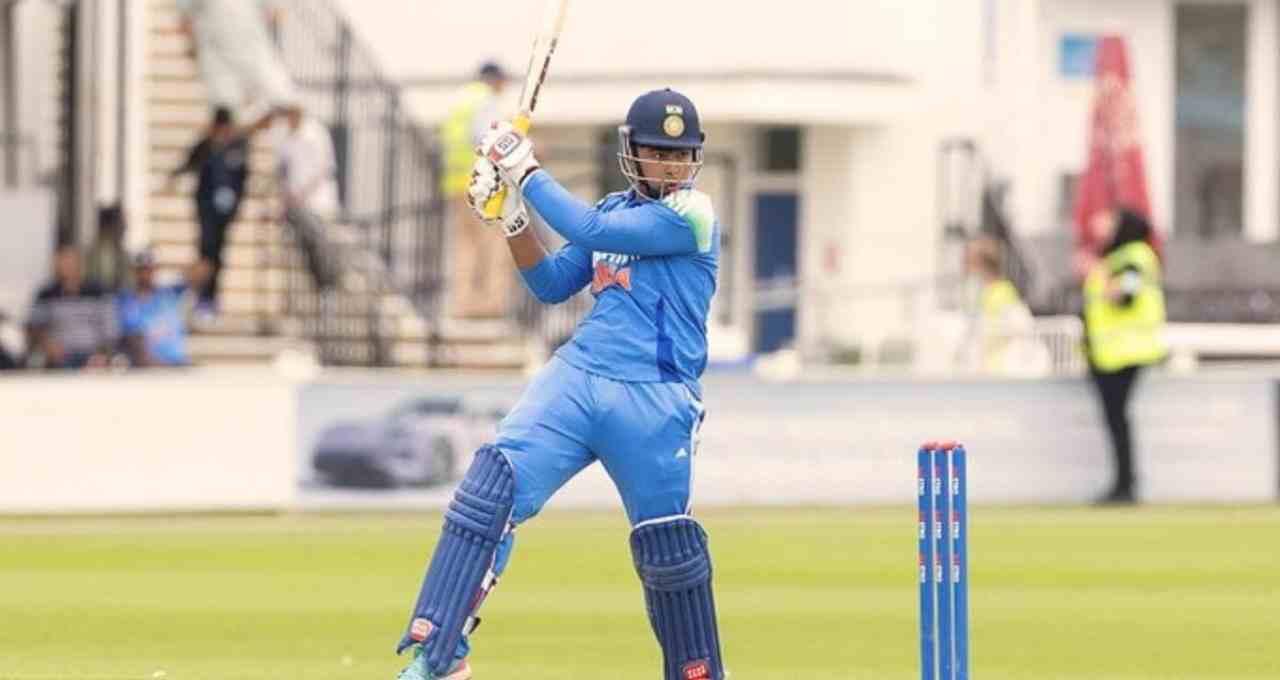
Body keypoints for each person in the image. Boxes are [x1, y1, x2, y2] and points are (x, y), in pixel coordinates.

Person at [394, 88, 725, 680]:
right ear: (633, 152)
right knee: (490, 490)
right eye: (657, 152)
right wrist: (512, 219)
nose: (671, 165)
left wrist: (524, 170)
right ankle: (439, 655)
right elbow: (550, 283)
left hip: (654, 397)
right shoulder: (613, 210)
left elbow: (587, 226)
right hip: (576, 379)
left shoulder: (693, 214)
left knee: (669, 554)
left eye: (680, 154)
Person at [1082, 208, 1167, 505]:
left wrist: (1096, 272)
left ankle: (1125, 484)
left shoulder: (1133, 256)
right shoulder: (1118, 257)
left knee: (1118, 420)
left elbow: (1125, 296)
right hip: (1111, 353)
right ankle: (1123, 482)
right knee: (1116, 420)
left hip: (1125, 353)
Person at [169, 107, 271, 318]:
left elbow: (242, 178)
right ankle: (201, 296)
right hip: (206, 208)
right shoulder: (206, 145)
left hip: (225, 213)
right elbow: (188, 164)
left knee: (217, 253)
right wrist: (173, 177)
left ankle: (210, 297)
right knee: (206, 252)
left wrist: (235, 206)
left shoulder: (238, 145)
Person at [440, 62, 513, 319]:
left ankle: (463, 304)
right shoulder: (485, 100)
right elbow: (487, 139)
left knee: (465, 247)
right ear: (494, 80)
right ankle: (490, 305)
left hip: (456, 184)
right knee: (494, 246)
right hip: (482, 185)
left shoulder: (460, 101)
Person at [175, 0, 296, 113]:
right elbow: (185, 18)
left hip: (257, 52)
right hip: (217, 56)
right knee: (226, 108)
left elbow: (274, 16)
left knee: (283, 100)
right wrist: (193, 47)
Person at [27, 245, 118, 370]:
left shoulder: (98, 292)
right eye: (61, 262)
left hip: (93, 357)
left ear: (79, 264)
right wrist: (48, 345)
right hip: (59, 359)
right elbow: (34, 327)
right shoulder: (46, 294)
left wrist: (102, 354)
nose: (64, 266)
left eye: (69, 262)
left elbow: (111, 329)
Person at [957, 236, 1036, 374]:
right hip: (987, 368)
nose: (965, 269)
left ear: (981, 264)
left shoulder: (1003, 292)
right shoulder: (985, 293)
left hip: (1001, 370)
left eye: (968, 263)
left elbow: (1021, 328)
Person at [117, 250, 191, 367]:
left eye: (149, 269)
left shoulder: (168, 294)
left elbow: (198, 274)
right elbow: (133, 340)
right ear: (134, 272)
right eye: (141, 269)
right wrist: (156, 365)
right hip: (151, 368)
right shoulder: (128, 302)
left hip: (177, 363)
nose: (145, 274)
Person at [273, 104, 340, 221]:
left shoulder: (315, 133)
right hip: (294, 205)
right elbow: (282, 168)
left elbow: (324, 168)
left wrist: (302, 194)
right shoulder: (285, 134)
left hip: (317, 203)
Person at [84, 205, 132, 293]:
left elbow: (128, 281)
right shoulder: (95, 252)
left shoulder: (121, 253)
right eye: (121, 223)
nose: (124, 228)